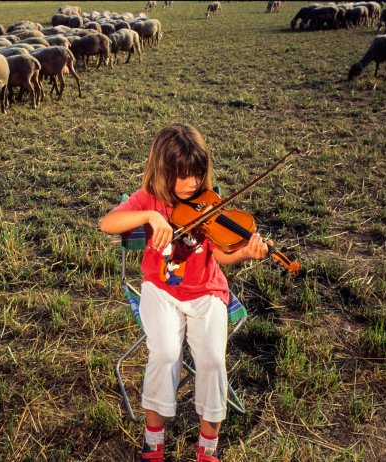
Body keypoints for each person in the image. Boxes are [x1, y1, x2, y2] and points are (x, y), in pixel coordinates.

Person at [99, 124, 271, 462]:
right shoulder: (148, 198)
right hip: (160, 290)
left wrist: (246, 253)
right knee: (164, 353)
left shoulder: (209, 202)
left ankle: (207, 447)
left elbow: (221, 255)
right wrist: (150, 216)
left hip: (207, 290)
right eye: (184, 175)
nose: (193, 183)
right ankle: (153, 442)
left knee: (212, 359)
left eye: (198, 173)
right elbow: (108, 223)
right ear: (165, 171)